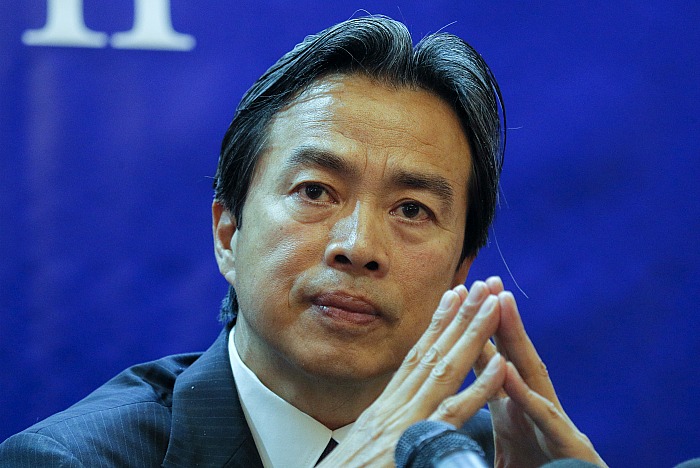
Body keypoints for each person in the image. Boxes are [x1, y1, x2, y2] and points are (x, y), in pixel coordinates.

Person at [0, 16, 606, 467]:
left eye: (412, 209)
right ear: (228, 233)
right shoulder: (68, 460)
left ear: (458, 274)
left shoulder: (477, 457)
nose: (359, 246)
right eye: (316, 191)